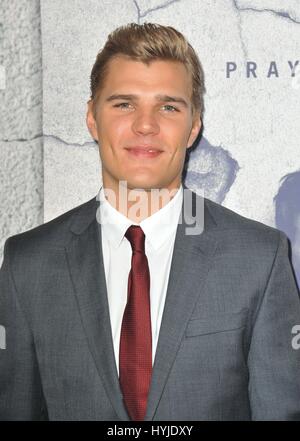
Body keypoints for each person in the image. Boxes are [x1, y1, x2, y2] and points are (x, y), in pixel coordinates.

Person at [0, 23, 300, 421]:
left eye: (168, 107)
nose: (146, 124)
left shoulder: (259, 259)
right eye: (124, 104)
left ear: (193, 127)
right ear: (92, 118)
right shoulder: (27, 264)